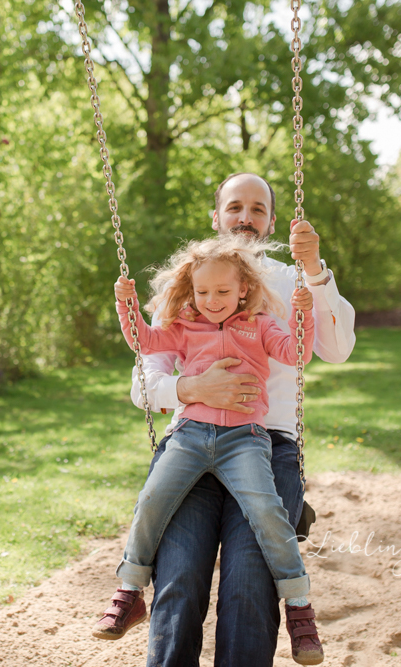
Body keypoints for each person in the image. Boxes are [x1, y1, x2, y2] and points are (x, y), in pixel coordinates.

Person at [131, 173, 356, 666]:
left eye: (257, 209)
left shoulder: (295, 278)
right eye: (235, 207)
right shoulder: (194, 285)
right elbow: (142, 382)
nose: (245, 218)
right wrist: (191, 388)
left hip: (266, 446)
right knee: (179, 579)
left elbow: (336, 349)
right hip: (191, 441)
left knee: (248, 587)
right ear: (217, 217)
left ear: (272, 222)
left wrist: (315, 268)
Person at [92, 234, 322, 665]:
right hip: (191, 435)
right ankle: (129, 589)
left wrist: (302, 319)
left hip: (244, 441)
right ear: (191, 291)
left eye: (222, 291)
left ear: (243, 289)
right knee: (151, 500)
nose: (212, 300)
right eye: (202, 292)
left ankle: (298, 605)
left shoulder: (261, 323)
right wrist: (126, 308)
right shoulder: (183, 324)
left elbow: (294, 354)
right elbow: (145, 342)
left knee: (268, 512)